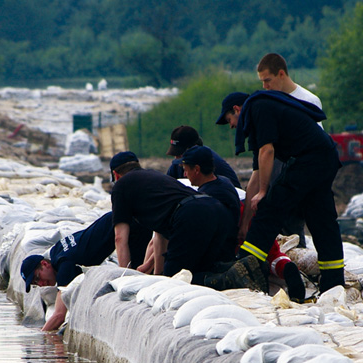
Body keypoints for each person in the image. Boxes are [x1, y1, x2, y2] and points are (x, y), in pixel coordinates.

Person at [215, 90, 344, 295]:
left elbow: (268, 152)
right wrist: (244, 223)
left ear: (237, 109)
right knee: (322, 221)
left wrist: (264, 192)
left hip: (311, 159)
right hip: (324, 158)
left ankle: (245, 269)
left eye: (229, 119)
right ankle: (334, 283)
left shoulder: (258, 109)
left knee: (270, 210)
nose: (231, 126)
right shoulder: (259, 115)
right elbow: (255, 177)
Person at [183, 144, 306, 300]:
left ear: (196, 169)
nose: (184, 173)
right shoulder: (223, 183)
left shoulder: (206, 198)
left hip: (239, 233)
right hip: (250, 219)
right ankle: (284, 268)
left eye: (185, 168)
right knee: (270, 255)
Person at [110, 151, 247, 285]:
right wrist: (158, 275)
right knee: (201, 268)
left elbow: (120, 238)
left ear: (116, 175)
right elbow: (161, 235)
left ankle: (229, 278)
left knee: (175, 280)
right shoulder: (154, 177)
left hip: (191, 213)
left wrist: (124, 280)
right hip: (214, 207)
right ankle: (237, 270)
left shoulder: (120, 187)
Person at [21, 210, 151, 331]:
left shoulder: (65, 266)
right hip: (120, 217)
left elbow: (59, 315)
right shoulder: (57, 251)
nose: (42, 284)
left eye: (38, 278)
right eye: (36, 284)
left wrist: (42, 337)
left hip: (131, 226)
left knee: (139, 278)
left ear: (44, 264)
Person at [166, 125, 241, 188]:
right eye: (175, 154)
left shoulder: (212, 163)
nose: (176, 158)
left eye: (179, 154)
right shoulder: (177, 165)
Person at [256, 52, 323, 110]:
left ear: (281, 74)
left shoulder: (309, 101)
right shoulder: (266, 103)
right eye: (262, 81)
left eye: (267, 80)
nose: (264, 86)